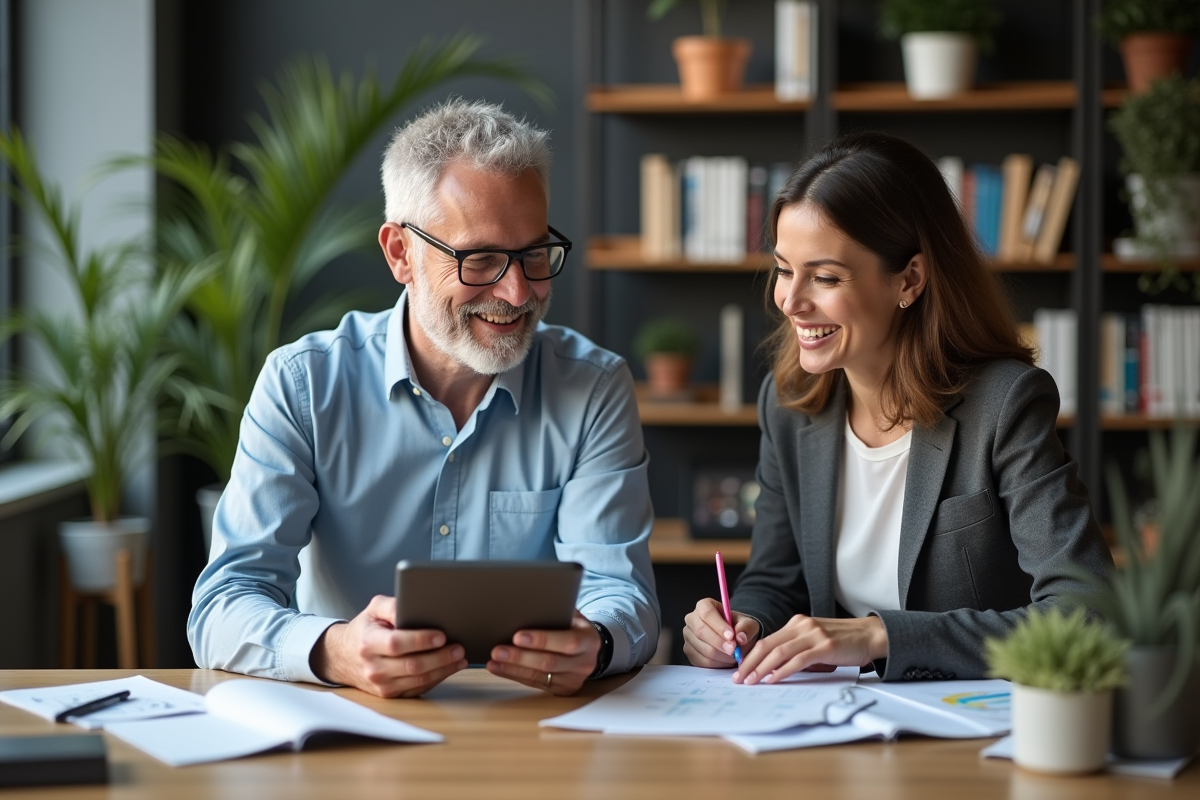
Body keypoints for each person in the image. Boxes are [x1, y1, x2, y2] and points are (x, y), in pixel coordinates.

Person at [189, 99, 660, 698]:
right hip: (349, 734)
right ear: (400, 254)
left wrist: (597, 641)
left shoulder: (593, 388)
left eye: (533, 254)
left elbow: (625, 594)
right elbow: (223, 606)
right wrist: (335, 651)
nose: (517, 292)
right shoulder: (302, 385)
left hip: (533, 734)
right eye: (481, 258)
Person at [683, 132, 1112, 683]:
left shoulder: (1005, 404)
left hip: (975, 730)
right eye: (785, 269)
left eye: (825, 277)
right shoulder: (788, 406)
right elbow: (776, 579)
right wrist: (740, 625)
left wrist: (878, 635)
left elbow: (1088, 612)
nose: (790, 300)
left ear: (909, 279)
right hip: (841, 726)